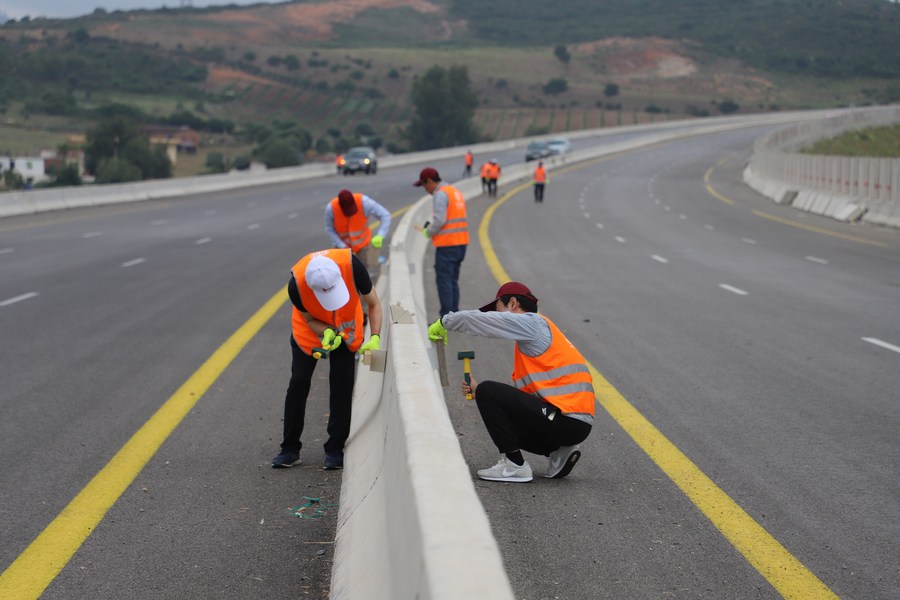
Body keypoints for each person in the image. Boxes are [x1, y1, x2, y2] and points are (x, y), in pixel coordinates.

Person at [427, 282, 594, 483]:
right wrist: (477, 390)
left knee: (488, 390)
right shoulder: (537, 338)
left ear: (513, 303)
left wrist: (444, 322)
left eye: (499, 310)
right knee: (491, 399)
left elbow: (481, 321)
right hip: (569, 422)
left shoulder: (533, 323)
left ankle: (514, 465)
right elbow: (522, 405)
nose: (496, 316)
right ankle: (558, 452)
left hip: (566, 420)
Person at [272, 248, 383, 470]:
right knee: (299, 381)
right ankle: (290, 448)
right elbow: (308, 320)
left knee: (342, 384)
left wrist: (375, 337)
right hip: (309, 330)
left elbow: (374, 304)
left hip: (347, 326)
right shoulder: (296, 285)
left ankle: (335, 448)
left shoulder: (352, 266)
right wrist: (327, 332)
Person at [414, 167, 469, 317]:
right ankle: (455, 315)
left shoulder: (440, 194)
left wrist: (428, 232)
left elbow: (439, 220)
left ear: (429, 181)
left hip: (447, 245)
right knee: (452, 281)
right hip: (461, 243)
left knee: (444, 282)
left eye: (424, 185)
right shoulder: (454, 192)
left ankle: (446, 318)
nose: (425, 189)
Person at [324, 189, 391, 270]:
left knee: (363, 270)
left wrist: (380, 235)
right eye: (347, 211)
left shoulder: (364, 202)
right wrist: (342, 245)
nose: (350, 214)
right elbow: (330, 229)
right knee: (341, 271)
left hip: (362, 245)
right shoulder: (331, 208)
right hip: (341, 246)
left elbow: (385, 215)